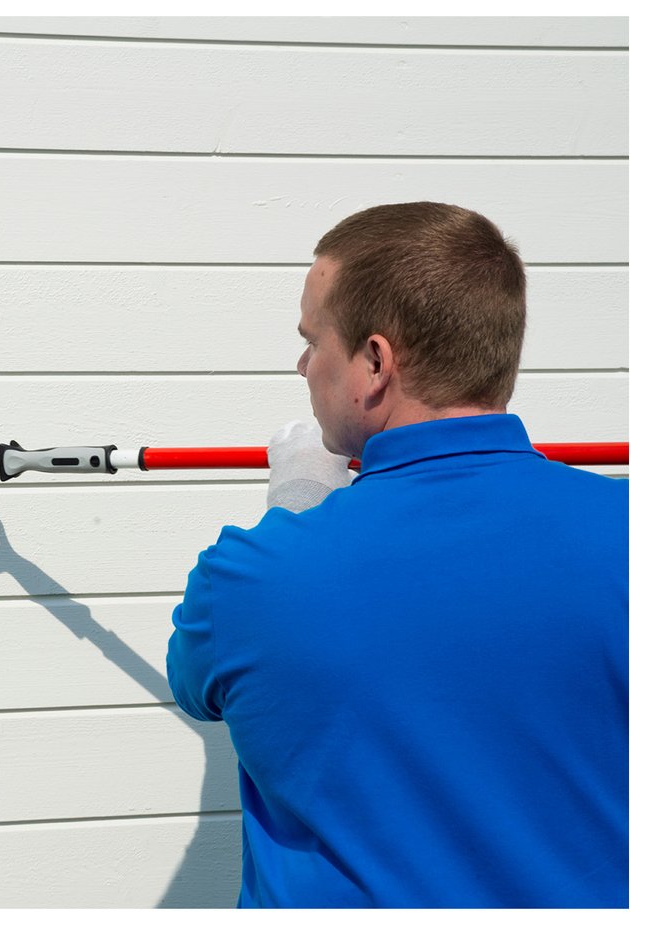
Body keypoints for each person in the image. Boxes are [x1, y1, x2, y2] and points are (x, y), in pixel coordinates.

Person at [166, 202, 627, 907]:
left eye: (313, 339)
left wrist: (294, 506)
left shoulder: (253, 578)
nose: (302, 363)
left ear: (374, 361)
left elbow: (195, 686)